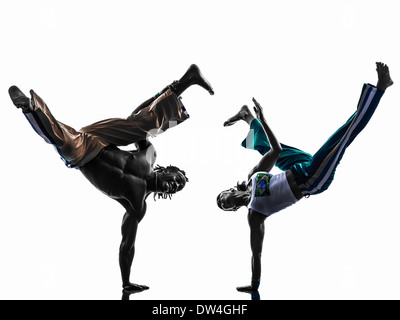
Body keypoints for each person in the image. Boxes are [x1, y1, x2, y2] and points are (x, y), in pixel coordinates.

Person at [9, 64, 214, 293]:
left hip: (83, 152)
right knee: (144, 126)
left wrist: (126, 282)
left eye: (176, 189)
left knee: (65, 142)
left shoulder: (137, 205)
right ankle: (184, 81)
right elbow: (140, 115)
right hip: (103, 136)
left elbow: (127, 245)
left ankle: (29, 107)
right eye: (178, 180)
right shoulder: (149, 155)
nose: (175, 185)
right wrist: (165, 92)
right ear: (169, 169)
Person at [217, 62, 393, 293]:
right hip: (311, 178)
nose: (226, 202)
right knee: (344, 136)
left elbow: (276, 150)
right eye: (225, 207)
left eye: (222, 198)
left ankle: (249, 118)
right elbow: (256, 253)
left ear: (229, 190)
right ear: (232, 209)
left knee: (267, 152)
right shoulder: (255, 214)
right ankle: (380, 89)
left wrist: (262, 118)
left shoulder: (253, 178)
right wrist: (254, 284)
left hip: (299, 165)